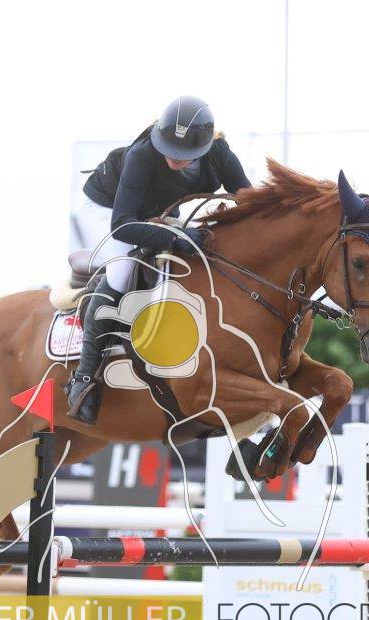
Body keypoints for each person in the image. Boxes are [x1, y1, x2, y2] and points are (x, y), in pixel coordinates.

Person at [66, 95, 253, 425]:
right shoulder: (142, 155)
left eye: (183, 152)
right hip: (107, 209)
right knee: (123, 269)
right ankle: (84, 377)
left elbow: (249, 202)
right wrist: (176, 238)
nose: (173, 157)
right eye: (169, 147)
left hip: (154, 212)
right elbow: (122, 225)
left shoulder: (219, 154)